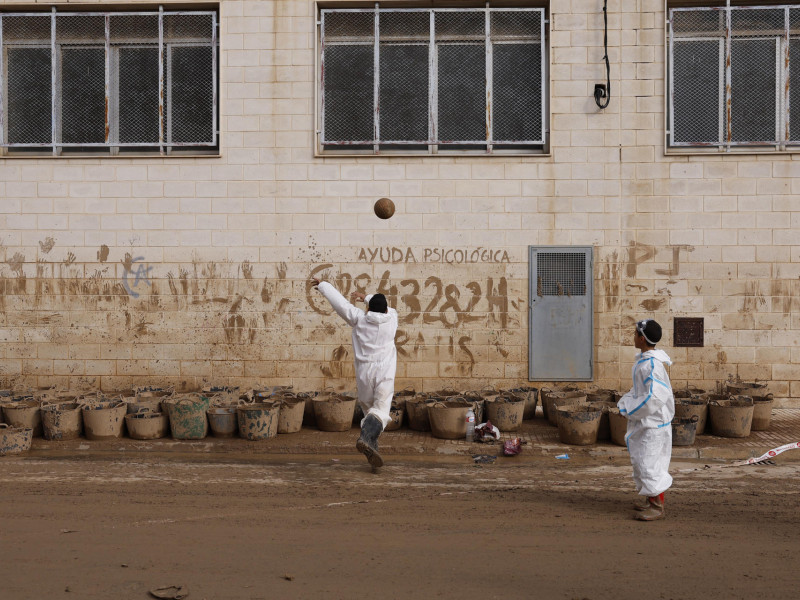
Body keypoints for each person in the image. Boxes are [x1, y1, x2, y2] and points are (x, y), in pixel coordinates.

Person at [311, 276, 398, 470]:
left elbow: (340, 304)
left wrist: (324, 285)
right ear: (385, 309)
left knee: (369, 411)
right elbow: (384, 308)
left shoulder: (358, 319)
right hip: (384, 373)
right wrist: (366, 297)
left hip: (364, 374)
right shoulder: (392, 319)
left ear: (368, 309)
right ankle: (367, 438)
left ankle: (371, 444)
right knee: (381, 411)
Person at [617, 319, 675, 521]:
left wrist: (630, 411)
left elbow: (655, 397)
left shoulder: (651, 366)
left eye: (634, 334)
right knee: (642, 462)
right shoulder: (643, 362)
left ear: (641, 338)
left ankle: (657, 506)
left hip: (652, 424)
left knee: (650, 464)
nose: (633, 336)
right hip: (646, 422)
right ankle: (649, 497)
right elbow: (639, 391)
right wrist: (625, 403)